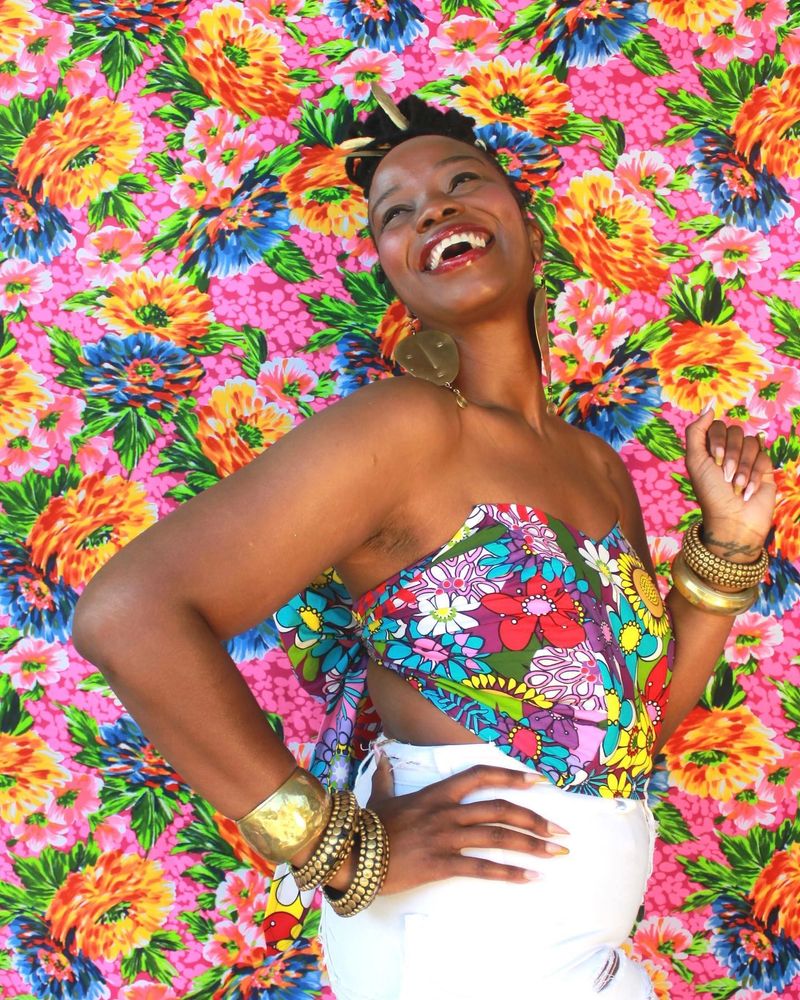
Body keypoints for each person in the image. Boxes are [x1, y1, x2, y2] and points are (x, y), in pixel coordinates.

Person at [72, 89, 777, 1000]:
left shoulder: (597, 467)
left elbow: (633, 730)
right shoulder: (406, 426)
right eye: (395, 213)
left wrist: (727, 543)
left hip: (592, 951)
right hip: (461, 945)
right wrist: (331, 846)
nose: (431, 210)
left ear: (524, 221)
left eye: (460, 182)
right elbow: (129, 614)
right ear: (394, 271)